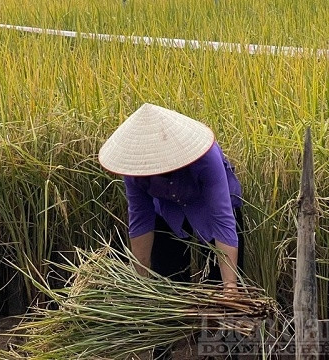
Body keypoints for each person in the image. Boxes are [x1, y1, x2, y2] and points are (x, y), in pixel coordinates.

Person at [99, 103, 244, 359]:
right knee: (167, 281)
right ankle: (164, 348)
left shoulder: (205, 158)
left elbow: (222, 219)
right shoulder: (136, 173)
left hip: (211, 208)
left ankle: (220, 350)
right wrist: (140, 282)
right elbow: (141, 222)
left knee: (219, 288)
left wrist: (229, 286)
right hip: (167, 211)